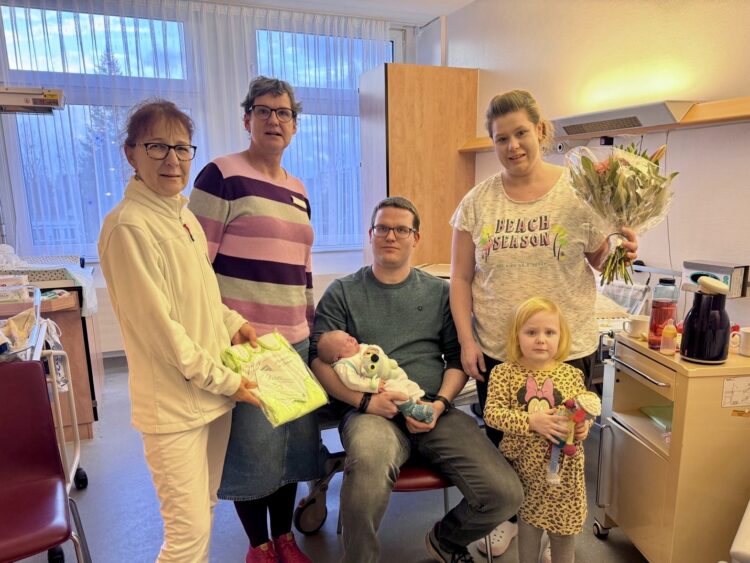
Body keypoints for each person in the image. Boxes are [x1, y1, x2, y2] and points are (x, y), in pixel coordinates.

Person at [449, 89, 637, 556]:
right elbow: (460, 276)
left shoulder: (579, 195)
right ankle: (510, 517)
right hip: (500, 347)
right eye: (500, 138)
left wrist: (624, 247)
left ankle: (553, 520)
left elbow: (598, 258)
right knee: (509, 440)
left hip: (566, 349)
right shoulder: (477, 203)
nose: (512, 146)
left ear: (541, 132)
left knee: (563, 445)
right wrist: (466, 340)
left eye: (520, 133)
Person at [310, 196, 523, 563]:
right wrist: (364, 402)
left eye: (401, 229)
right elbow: (319, 362)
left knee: (506, 494)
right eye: (382, 228)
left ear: (416, 238)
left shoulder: (440, 293)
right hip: (370, 412)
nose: (391, 236)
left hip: (432, 408)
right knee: (365, 479)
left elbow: (457, 361)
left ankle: (445, 540)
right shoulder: (342, 293)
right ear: (371, 234)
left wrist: (439, 403)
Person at [98, 99, 260, 563]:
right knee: (185, 537)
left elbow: (202, 297)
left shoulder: (182, 214)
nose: (172, 159)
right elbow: (163, 333)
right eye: (157, 146)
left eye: (182, 148)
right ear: (130, 153)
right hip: (173, 407)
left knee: (204, 512)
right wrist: (228, 380)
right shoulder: (127, 227)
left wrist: (234, 324)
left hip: (211, 398)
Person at [188, 76, 324, 563]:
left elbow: (302, 267)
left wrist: (311, 321)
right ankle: (259, 546)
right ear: (247, 118)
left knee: (288, 449)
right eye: (263, 111)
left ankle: (285, 537)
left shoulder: (298, 189)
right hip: (245, 342)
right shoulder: (220, 175)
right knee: (252, 452)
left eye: (284, 112)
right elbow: (194, 269)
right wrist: (223, 328)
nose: (274, 120)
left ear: (294, 124)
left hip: (295, 341)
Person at [484, 297, 599, 563]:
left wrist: (583, 428)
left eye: (549, 332)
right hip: (525, 470)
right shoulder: (504, 373)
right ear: (517, 336)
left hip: (565, 475)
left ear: (561, 337)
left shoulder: (571, 375)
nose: (540, 339)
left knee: (563, 534)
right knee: (528, 528)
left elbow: (581, 411)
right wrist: (531, 421)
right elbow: (492, 414)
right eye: (531, 332)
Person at [317, 329, 434, 422]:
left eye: (349, 336)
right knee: (397, 390)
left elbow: (377, 351)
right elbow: (354, 382)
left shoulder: (360, 348)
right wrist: (373, 385)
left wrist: (377, 351)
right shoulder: (344, 365)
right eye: (346, 342)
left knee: (410, 385)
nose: (352, 339)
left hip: (392, 375)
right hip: (380, 386)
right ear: (337, 357)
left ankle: (420, 402)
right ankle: (411, 411)